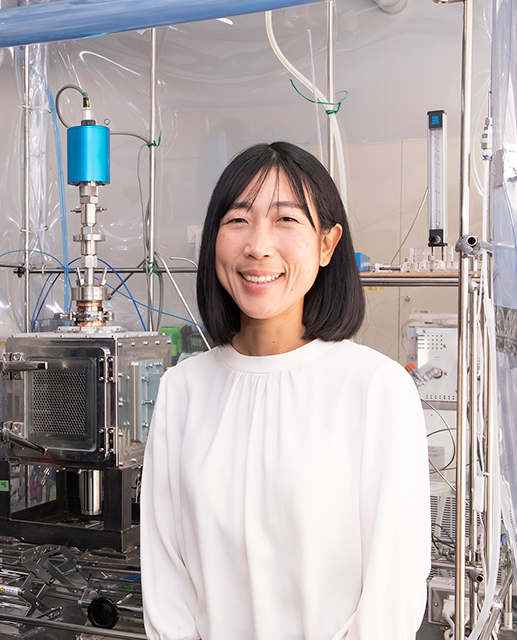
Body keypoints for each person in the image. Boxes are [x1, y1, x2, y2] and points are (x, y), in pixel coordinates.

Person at [140, 141, 430, 639]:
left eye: (286, 220)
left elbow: (391, 596)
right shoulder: (182, 390)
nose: (258, 245)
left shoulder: (375, 389)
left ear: (326, 243)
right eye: (237, 220)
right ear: (214, 241)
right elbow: (166, 578)